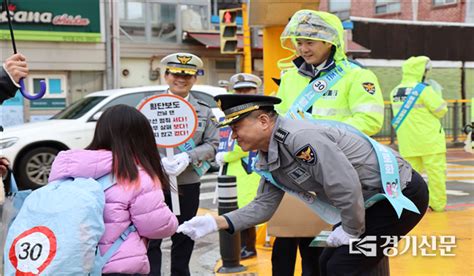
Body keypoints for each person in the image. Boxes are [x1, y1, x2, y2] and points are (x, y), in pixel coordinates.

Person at [177, 94, 429, 276]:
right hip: (366, 201)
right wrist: (215, 223)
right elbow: (264, 206)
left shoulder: (299, 139)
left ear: (264, 121)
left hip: (398, 196)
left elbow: (343, 184)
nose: (233, 135)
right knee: (328, 262)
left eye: (236, 127)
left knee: (342, 266)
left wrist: (351, 230)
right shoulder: (267, 155)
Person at [273, 9, 385, 275]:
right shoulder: (290, 78)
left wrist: (321, 136)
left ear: (330, 42)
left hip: (338, 172)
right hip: (297, 171)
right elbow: (279, 119)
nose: (302, 48)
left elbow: (370, 121)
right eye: (299, 42)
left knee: (322, 250)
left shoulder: (357, 76)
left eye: (309, 42)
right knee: (286, 246)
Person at [47, 104, 178, 275]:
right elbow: (155, 226)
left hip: (70, 263)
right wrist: (173, 222)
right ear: (142, 137)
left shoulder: (69, 166)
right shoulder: (136, 175)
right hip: (115, 264)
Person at [147, 52, 219, 276]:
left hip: (187, 182)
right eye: (176, 74)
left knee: (184, 235)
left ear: (195, 78)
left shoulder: (205, 111)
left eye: (188, 75)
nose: (181, 79)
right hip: (153, 183)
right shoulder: (148, 107)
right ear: (166, 76)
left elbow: (214, 144)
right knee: (150, 238)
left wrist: (188, 157)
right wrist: (155, 161)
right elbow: (133, 142)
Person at [390, 56, 448, 212]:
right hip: (430, 141)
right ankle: (437, 204)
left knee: (408, 178)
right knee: (436, 175)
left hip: (408, 142)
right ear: (421, 71)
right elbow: (441, 110)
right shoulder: (424, 90)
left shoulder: (395, 91)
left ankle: (409, 205)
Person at [214, 73, 262, 259]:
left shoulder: (257, 111)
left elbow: (250, 140)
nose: (243, 93)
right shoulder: (230, 111)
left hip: (248, 169)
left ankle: (248, 248)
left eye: (247, 89)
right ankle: (241, 247)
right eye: (239, 90)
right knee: (234, 208)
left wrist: (226, 155)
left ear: (255, 90)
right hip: (233, 169)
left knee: (246, 209)